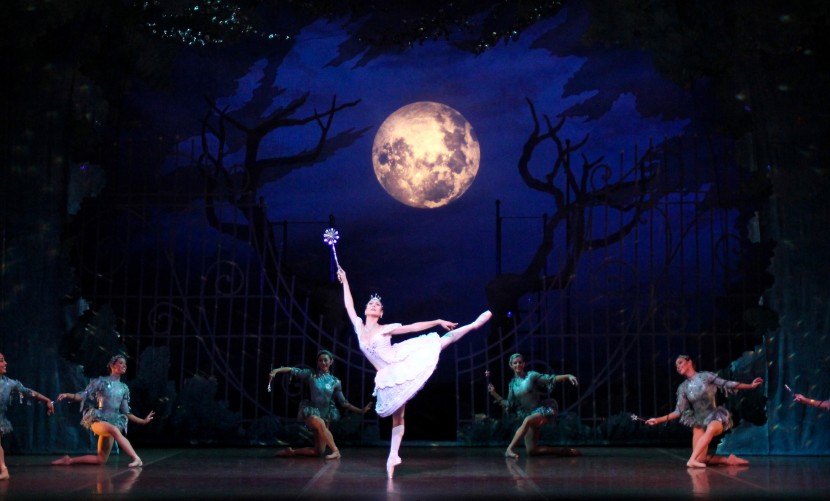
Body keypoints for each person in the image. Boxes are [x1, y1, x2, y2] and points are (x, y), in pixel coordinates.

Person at [337, 267, 492, 478]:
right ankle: (393, 456)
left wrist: (437, 321)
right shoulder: (358, 326)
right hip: (387, 375)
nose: (373, 305)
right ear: (365, 310)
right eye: (370, 303)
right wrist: (345, 280)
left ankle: (473, 325)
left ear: (381, 313)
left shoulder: (386, 328)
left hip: (401, 361)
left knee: (439, 342)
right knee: (398, 416)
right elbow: (348, 304)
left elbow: (412, 327)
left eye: (377, 305)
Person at [645, 354, 763, 468]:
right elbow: (678, 411)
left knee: (710, 429)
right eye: (676, 366)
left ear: (689, 362)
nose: (678, 367)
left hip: (714, 417)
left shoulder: (706, 376)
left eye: (680, 363)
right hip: (699, 422)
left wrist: (750, 386)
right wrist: (657, 420)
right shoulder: (683, 388)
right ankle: (728, 460)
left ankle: (691, 460)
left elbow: (727, 384)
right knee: (700, 459)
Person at [51, 354, 155, 468]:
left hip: (113, 422)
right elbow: (83, 395)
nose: (124, 365)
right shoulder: (101, 382)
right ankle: (136, 458)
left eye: (125, 363)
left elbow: (126, 412)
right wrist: (68, 395)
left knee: (101, 459)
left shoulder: (124, 388)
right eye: (121, 363)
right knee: (114, 430)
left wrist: (143, 421)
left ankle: (69, 460)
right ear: (112, 366)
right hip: (99, 419)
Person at [269, 349, 373, 459]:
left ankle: (291, 452)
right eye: (320, 360)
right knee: (319, 422)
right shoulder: (311, 375)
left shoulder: (335, 382)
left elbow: (344, 403)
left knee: (318, 451)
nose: (323, 362)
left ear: (331, 361)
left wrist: (361, 410)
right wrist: (276, 370)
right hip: (312, 412)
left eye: (325, 360)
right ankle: (336, 451)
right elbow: (293, 370)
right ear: (317, 362)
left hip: (325, 415)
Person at [488, 353, 579, 459]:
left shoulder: (531, 376)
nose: (518, 365)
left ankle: (509, 449)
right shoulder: (512, 385)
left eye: (520, 362)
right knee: (532, 450)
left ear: (524, 364)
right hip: (530, 415)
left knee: (527, 420)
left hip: (541, 411)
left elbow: (550, 379)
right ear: (511, 365)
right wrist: (494, 393)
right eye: (515, 363)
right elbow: (509, 404)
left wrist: (568, 376)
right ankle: (562, 451)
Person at [0, 352, 55, 480]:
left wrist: (47, 400)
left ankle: (3, 469)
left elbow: (29, 392)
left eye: (4, 360)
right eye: (1, 361)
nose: (5, 363)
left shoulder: (9, 384)